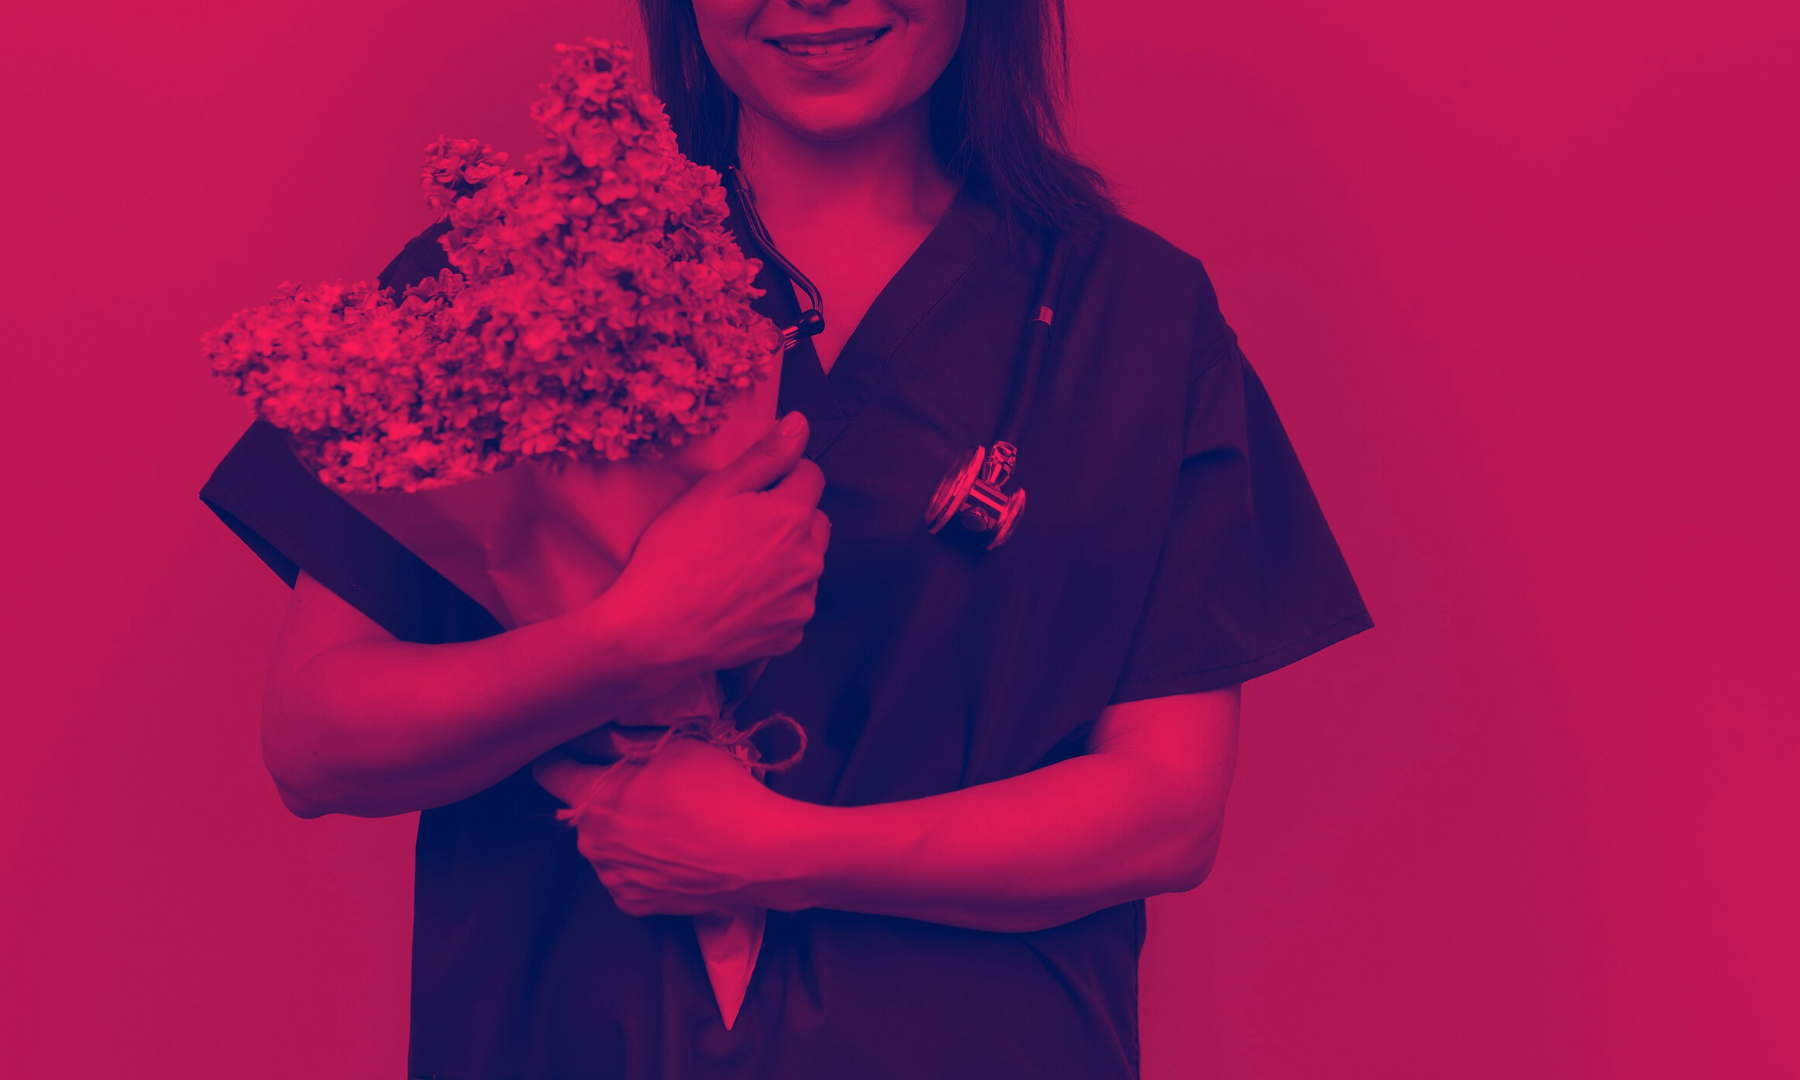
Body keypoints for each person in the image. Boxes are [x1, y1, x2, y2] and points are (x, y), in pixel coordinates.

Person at [199, 0, 1372, 1076]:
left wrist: (781, 852)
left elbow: (1168, 809)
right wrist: (624, 642)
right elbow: (315, 738)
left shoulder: (1133, 317)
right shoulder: (505, 277)